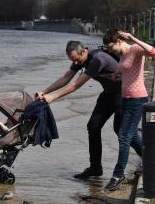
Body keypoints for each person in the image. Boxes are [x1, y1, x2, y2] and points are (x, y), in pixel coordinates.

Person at [35, 40, 122, 179]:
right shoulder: (79, 60)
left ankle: (147, 158)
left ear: (84, 51)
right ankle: (95, 167)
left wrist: (54, 97)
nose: (75, 63)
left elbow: (76, 85)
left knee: (121, 131)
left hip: (123, 94)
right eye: (72, 60)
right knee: (93, 127)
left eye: (76, 59)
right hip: (109, 93)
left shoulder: (97, 60)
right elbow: (66, 78)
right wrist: (45, 92)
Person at [102, 29, 155, 191]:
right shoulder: (123, 54)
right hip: (126, 98)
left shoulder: (134, 49)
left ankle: (118, 174)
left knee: (124, 136)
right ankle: (150, 161)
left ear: (119, 41)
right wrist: (116, 72)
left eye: (111, 47)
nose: (110, 50)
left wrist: (133, 38)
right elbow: (125, 67)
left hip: (137, 99)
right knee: (131, 136)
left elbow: (152, 51)